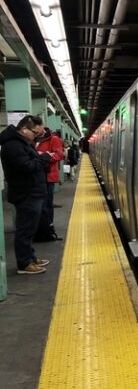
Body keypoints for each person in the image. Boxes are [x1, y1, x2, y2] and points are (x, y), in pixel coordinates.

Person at [0, 115, 53, 274]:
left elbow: (30, 163)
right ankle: (24, 264)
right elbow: (26, 167)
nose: (37, 136)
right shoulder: (13, 146)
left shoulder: (22, 143)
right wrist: (44, 158)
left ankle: (30, 257)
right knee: (25, 230)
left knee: (30, 229)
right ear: (24, 129)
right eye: (36, 133)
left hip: (31, 192)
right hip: (26, 193)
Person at [35, 128, 65, 241]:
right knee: (39, 206)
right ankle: (41, 230)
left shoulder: (53, 139)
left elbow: (59, 155)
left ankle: (49, 231)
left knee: (46, 205)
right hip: (36, 176)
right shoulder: (32, 140)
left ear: (41, 127)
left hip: (48, 177)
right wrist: (44, 155)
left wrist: (42, 157)